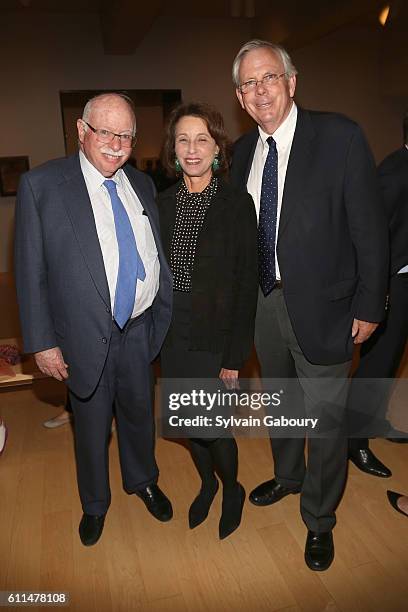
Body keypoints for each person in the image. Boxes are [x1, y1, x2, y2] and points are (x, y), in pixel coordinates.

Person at [230, 40, 388, 570]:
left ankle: (320, 519)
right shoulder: (241, 153)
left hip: (328, 309)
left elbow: (371, 228)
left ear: (291, 82)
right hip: (263, 305)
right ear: (239, 96)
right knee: (280, 403)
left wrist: (371, 302)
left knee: (324, 420)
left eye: (269, 78)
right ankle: (287, 477)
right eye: (249, 84)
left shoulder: (339, 136)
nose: (260, 91)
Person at [14, 93, 173, 546]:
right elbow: (30, 271)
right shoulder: (41, 186)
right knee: (91, 427)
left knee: (141, 415)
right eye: (105, 131)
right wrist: (42, 342)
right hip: (82, 335)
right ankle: (95, 504)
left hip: (139, 329)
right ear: (81, 132)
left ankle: (143, 480)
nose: (116, 144)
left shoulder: (141, 184)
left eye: (126, 135)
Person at [158, 102, 258, 539]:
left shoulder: (237, 204)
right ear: (173, 149)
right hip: (172, 334)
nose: (192, 149)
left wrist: (234, 357)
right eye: (183, 139)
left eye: (202, 139)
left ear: (217, 147)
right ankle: (207, 484)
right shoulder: (160, 203)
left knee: (214, 428)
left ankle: (232, 488)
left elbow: (244, 286)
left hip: (215, 338)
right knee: (188, 426)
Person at [348, 112, 408, 477]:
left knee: (391, 362)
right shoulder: (394, 171)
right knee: (375, 366)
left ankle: (376, 421)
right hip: (392, 285)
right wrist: (375, 291)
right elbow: (370, 234)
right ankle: (354, 440)